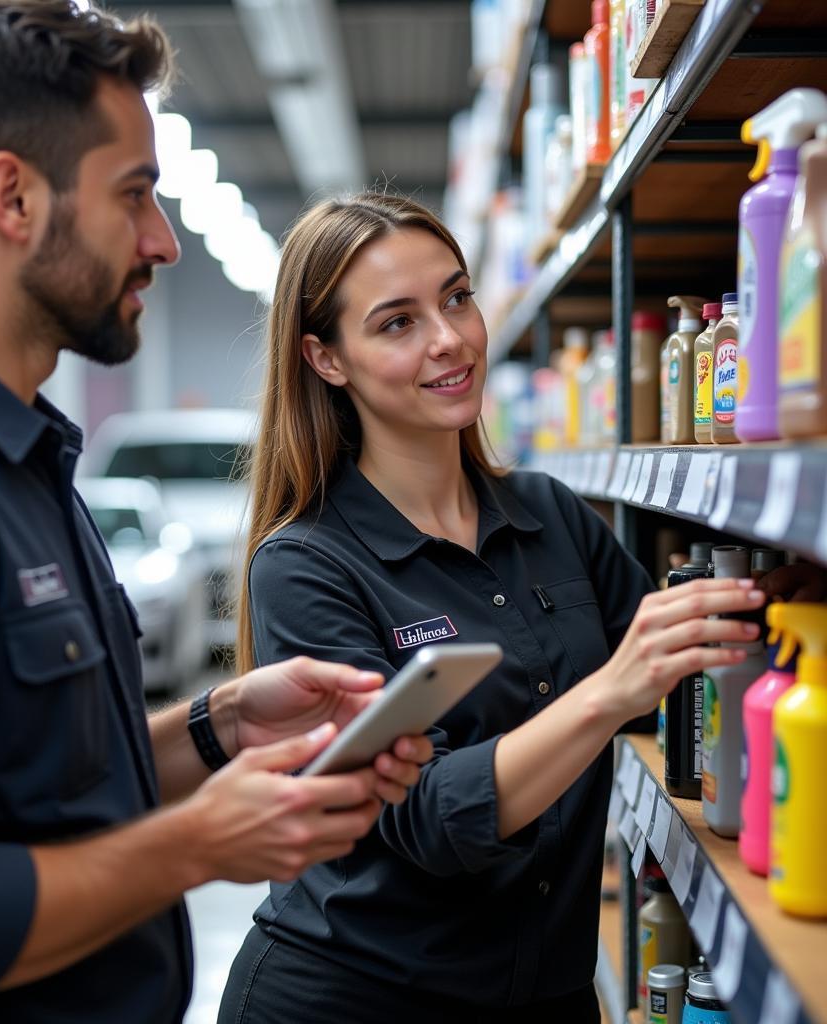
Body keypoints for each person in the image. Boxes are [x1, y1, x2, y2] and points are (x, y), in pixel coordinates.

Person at [0, 5, 433, 1022]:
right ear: (12, 197)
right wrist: (197, 844)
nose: (162, 242)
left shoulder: (25, 460)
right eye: (134, 194)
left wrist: (221, 724)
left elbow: (41, 785)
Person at [218, 192, 768, 1023]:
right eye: (396, 322)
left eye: (456, 296)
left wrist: (775, 603)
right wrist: (612, 690)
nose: (449, 339)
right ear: (327, 359)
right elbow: (430, 816)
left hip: (546, 991)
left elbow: (671, 671)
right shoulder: (304, 566)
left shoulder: (549, 514)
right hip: (361, 999)